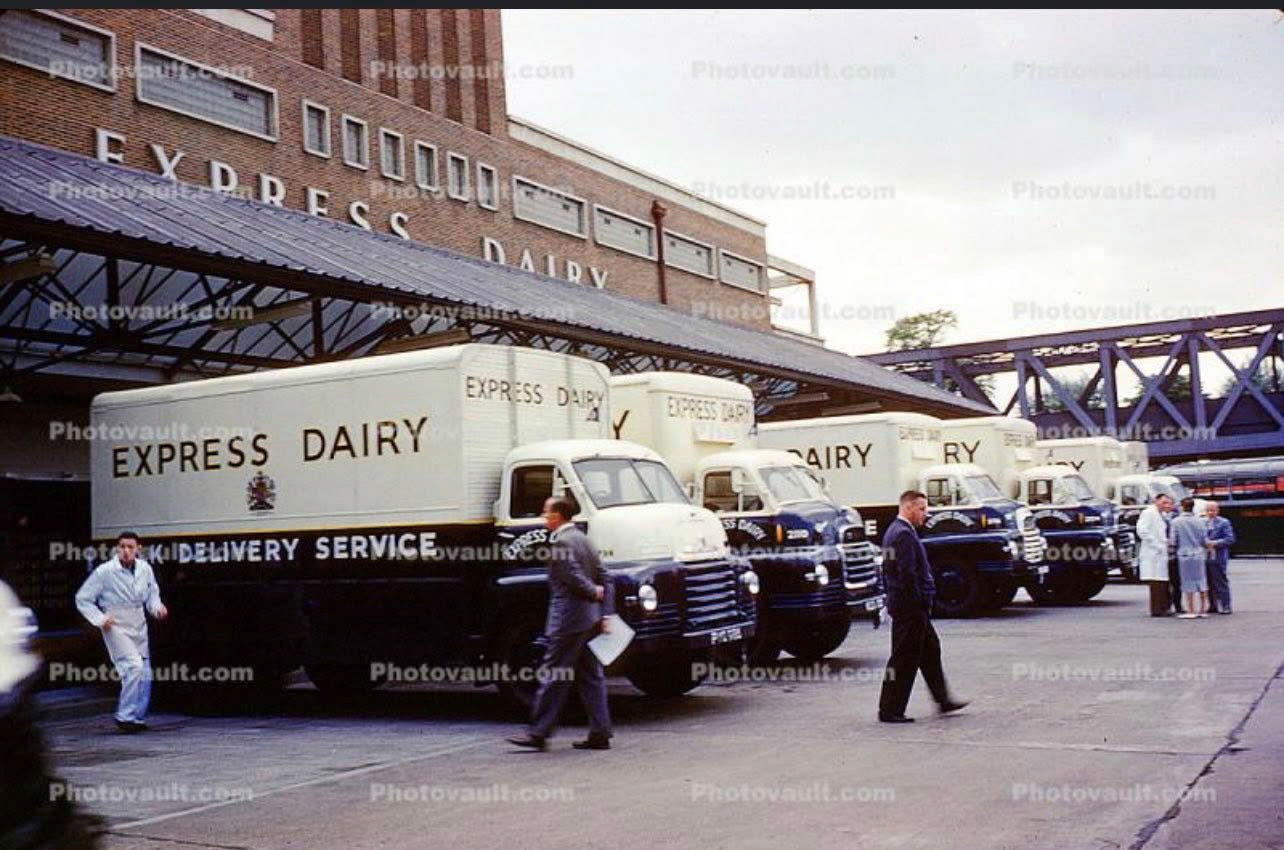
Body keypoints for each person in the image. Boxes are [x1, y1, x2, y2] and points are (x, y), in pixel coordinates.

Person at [508, 497, 614, 751]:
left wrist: (592, 591)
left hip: (569, 620)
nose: (544, 516)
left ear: (557, 516)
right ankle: (600, 732)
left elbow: (572, 577)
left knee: (554, 675)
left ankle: (538, 733)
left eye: (546, 512)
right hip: (589, 619)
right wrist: (606, 612)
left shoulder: (561, 543)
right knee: (591, 676)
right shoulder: (583, 539)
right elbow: (605, 575)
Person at [877, 490, 968, 723]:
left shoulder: (895, 531)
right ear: (908, 507)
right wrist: (918, 601)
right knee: (903, 659)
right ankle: (890, 710)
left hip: (907, 606)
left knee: (930, 650)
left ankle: (943, 700)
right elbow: (906, 573)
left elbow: (890, 572)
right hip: (910, 608)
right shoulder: (903, 534)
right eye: (922, 509)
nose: (925, 514)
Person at [74, 531, 167, 733]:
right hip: (115, 624)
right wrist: (100, 618)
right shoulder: (105, 571)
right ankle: (124, 716)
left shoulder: (145, 569)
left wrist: (157, 609)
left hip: (138, 622)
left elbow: (152, 595)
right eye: (122, 546)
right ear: (117, 548)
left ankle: (137, 718)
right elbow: (82, 598)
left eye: (130, 547)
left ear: (138, 549)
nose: (125, 551)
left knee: (145, 672)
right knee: (133, 666)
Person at [1170, 498, 1209, 619]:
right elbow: (1204, 540)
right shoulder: (1200, 521)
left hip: (1184, 555)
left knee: (1187, 582)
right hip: (1198, 554)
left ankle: (1191, 610)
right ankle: (1203, 609)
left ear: (1182, 507)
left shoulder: (1176, 522)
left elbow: (1173, 540)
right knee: (1201, 581)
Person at [1136, 493, 1174, 617]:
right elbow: (1142, 530)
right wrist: (1156, 545)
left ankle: (1163, 607)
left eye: (1168, 503)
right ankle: (1157, 609)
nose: (1166, 505)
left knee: (1162, 582)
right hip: (1153, 552)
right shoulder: (1149, 513)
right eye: (1164, 502)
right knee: (1156, 582)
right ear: (1156, 501)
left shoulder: (1162, 515)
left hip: (1160, 552)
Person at [1204, 501, 1236, 614]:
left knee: (1220, 582)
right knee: (1208, 582)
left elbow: (1230, 539)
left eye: (1213, 510)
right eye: (1208, 510)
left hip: (1218, 556)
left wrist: (1215, 543)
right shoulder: (1202, 522)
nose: (1210, 513)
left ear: (1218, 511)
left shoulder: (1224, 522)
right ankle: (1212, 605)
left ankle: (1226, 605)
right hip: (1205, 556)